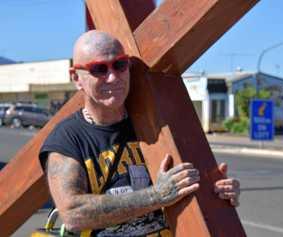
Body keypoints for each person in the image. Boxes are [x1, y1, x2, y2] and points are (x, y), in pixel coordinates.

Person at [39, 30, 240, 237]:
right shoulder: (67, 139)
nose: (113, 77)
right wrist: (156, 196)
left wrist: (217, 192)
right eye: (99, 69)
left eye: (120, 65)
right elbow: (73, 214)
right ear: (76, 77)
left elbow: (185, 184)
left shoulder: (155, 127)